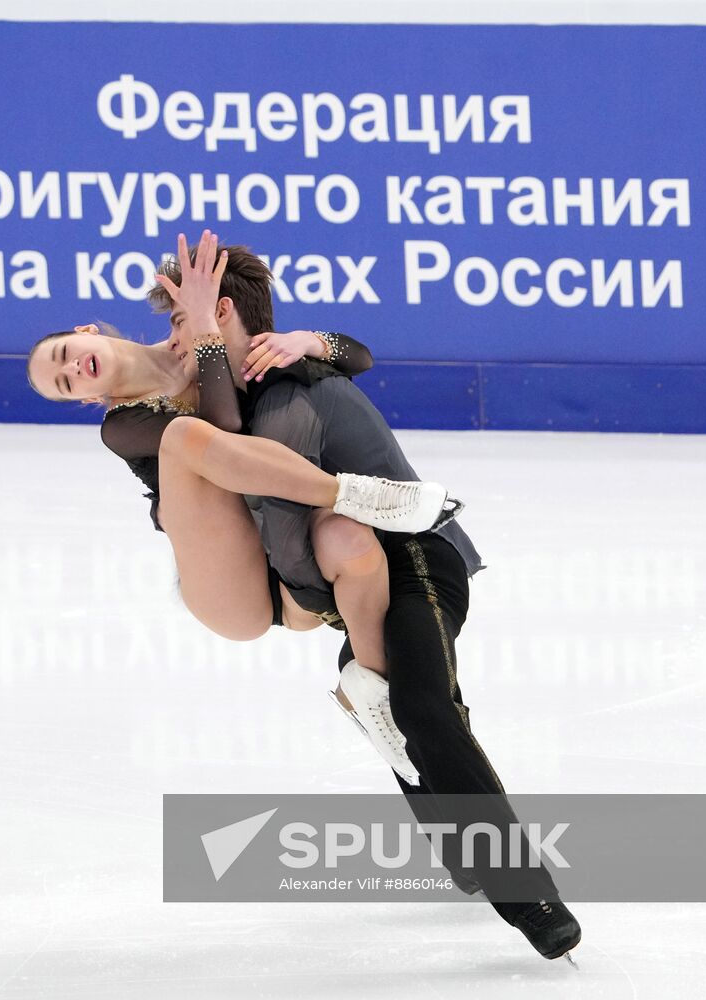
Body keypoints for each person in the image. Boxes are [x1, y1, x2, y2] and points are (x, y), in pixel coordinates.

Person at [150, 235, 582, 962]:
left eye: (179, 321)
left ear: (220, 313)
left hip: (418, 564)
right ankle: (466, 846)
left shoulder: (284, 391)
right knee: (397, 701)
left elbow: (284, 530)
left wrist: (296, 605)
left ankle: (531, 899)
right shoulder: (269, 378)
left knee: (419, 706)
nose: (172, 341)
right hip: (367, 580)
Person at [28, 232, 458, 775]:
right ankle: (354, 492)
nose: (72, 370)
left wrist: (305, 339)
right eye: (64, 385)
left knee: (352, 542)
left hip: (287, 556)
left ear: (86, 333)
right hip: (232, 587)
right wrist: (205, 330)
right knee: (184, 437)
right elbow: (224, 427)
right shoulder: (122, 424)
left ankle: (374, 703)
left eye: (64, 356)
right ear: (86, 399)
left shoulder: (193, 336)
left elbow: (357, 357)